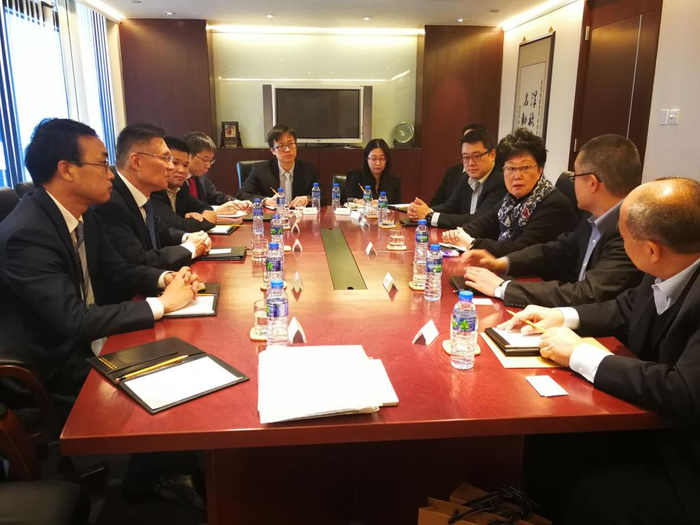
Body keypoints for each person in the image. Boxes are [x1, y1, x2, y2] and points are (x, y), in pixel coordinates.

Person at [502, 177, 700, 525]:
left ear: (651, 250)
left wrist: (579, 354)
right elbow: (626, 307)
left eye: (624, 237)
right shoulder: (668, 264)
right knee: (547, 446)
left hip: (686, 461)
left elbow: (683, 389)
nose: (618, 242)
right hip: (656, 424)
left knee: (592, 493)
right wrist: (561, 315)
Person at [0, 118, 200, 409]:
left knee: (190, 355)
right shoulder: (27, 234)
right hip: (52, 372)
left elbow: (115, 268)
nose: (111, 174)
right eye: (103, 164)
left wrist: (165, 279)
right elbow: (75, 319)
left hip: (91, 343)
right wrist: (162, 304)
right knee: (178, 391)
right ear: (66, 169)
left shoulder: (84, 213)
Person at [462, 134, 644, 307]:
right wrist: (502, 263)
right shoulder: (592, 219)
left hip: (589, 322)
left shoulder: (630, 232)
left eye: (576, 176)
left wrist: (503, 288)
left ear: (592, 182)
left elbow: (588, 293)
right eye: (510, 168)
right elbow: (555, 249)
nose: (517, 175)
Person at [442, 128, 577, 257]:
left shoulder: (553, 204)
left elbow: (519, 250)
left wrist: (472, 243)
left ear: (539, 169)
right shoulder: (511, 200)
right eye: (510, 168)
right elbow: (483, 223)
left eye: (525, 167)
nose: (517, 176)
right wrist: (458, 234)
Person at [94, 123, 210, 272]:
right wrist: (190, 248)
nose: (170, 167)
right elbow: (137, 260)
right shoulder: (110, 202)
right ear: (136, 162)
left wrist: (187, 237)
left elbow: (161, 231)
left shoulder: (142, 197)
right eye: (165, 158)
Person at [407, 128, 507, 229]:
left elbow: (478, 220)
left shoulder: (500, 182)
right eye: (466, 157)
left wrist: (429, 216)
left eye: (476, 156)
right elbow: (450, 206)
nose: (470, 163)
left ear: (492, 155)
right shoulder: (467, 177)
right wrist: (422, 211)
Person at [236, 124, 318, 207]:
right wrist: (266, 201)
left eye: (291, 144)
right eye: (281, 146)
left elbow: (322, 196)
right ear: (272, 150)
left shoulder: (309, 170)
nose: (287, 149)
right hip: (272, 214)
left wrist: (308, 199)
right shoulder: (260, 170)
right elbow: (242, 194)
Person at [151, 136, 217, 232]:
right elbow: (179, 226)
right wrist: (195, 220)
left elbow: (207, 209)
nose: (181, 170)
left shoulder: (181, 188)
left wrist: (191, 218)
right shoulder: (153, 191)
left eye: (185, 165)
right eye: (175, 163)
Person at [182, 131, 252, 214]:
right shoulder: (176, 179)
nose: (208, 166)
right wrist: (216, 211)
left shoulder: (201, 177)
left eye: (210, 161)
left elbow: (217, 196)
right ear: (188, 155)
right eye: (205, 160)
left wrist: (236, 202)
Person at [429, 122, 488, 207]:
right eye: (466, 139)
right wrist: (426, 211)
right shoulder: (452, 173)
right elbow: (440, 203)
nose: (471, 163)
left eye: (473, 139)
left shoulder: (493, 180)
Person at [343, 138, 401, 203]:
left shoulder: (394, 181)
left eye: (382, 159)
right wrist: (356, 201)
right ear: (366, 159)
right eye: (374, 159)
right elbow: (347, 199)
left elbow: (397, 205)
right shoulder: (356, 176)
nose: (378, 163)